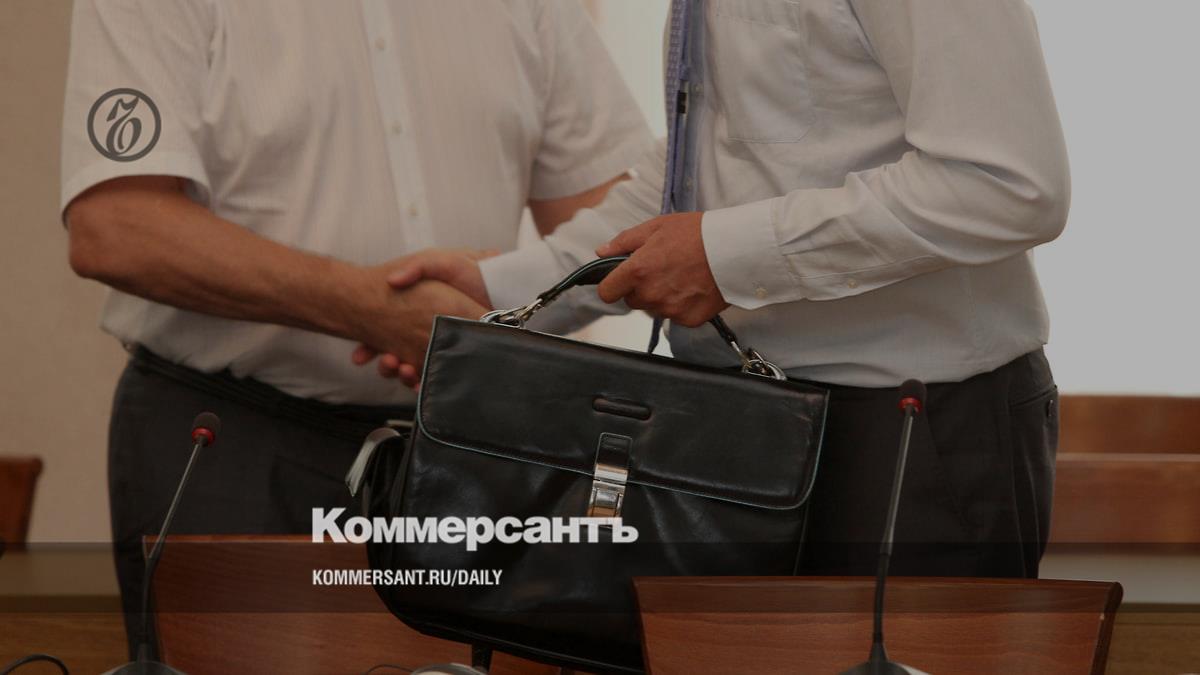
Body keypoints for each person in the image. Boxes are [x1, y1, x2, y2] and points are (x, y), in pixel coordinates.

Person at [382, 0, 1070, 578]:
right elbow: (702, 168)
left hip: (911, 438)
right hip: (734, 428)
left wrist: (725, 257)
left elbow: (1008, 185)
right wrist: (502, 293)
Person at [60, 0, 651, 656]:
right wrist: (369, 308)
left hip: (462, 451)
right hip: (232, 442)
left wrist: (488, 308)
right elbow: (116, 227)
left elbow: (615, 231)